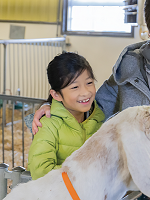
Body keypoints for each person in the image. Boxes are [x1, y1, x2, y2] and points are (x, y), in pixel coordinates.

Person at [31, 0, 150, 199]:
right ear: (149, 30)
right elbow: (97, 107)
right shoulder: (129, 66)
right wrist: (55, 106)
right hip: (124, 190)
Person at [27, 52, 105, 180]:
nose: (85, 92)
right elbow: (41, 171)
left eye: (89, 83)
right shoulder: (48, 124)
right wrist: (86, 169)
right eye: (75, 87)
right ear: (56, 95)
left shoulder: (100, 118)